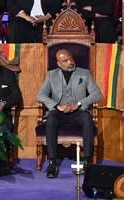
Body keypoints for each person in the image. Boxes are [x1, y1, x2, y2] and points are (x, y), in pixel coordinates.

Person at [37, 49, 103, 178]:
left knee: (87, 119)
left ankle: (88, 161)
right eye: (65, 60)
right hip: (59, 112)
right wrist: (57, 106)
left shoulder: (84, 74)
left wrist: (78, 104)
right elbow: (41, 95)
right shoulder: (51, 75)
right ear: (59, 63)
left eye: (71, 58)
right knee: (50, 120)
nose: (70, 62)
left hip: (78, 111)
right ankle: (52, 163)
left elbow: (97, 94)